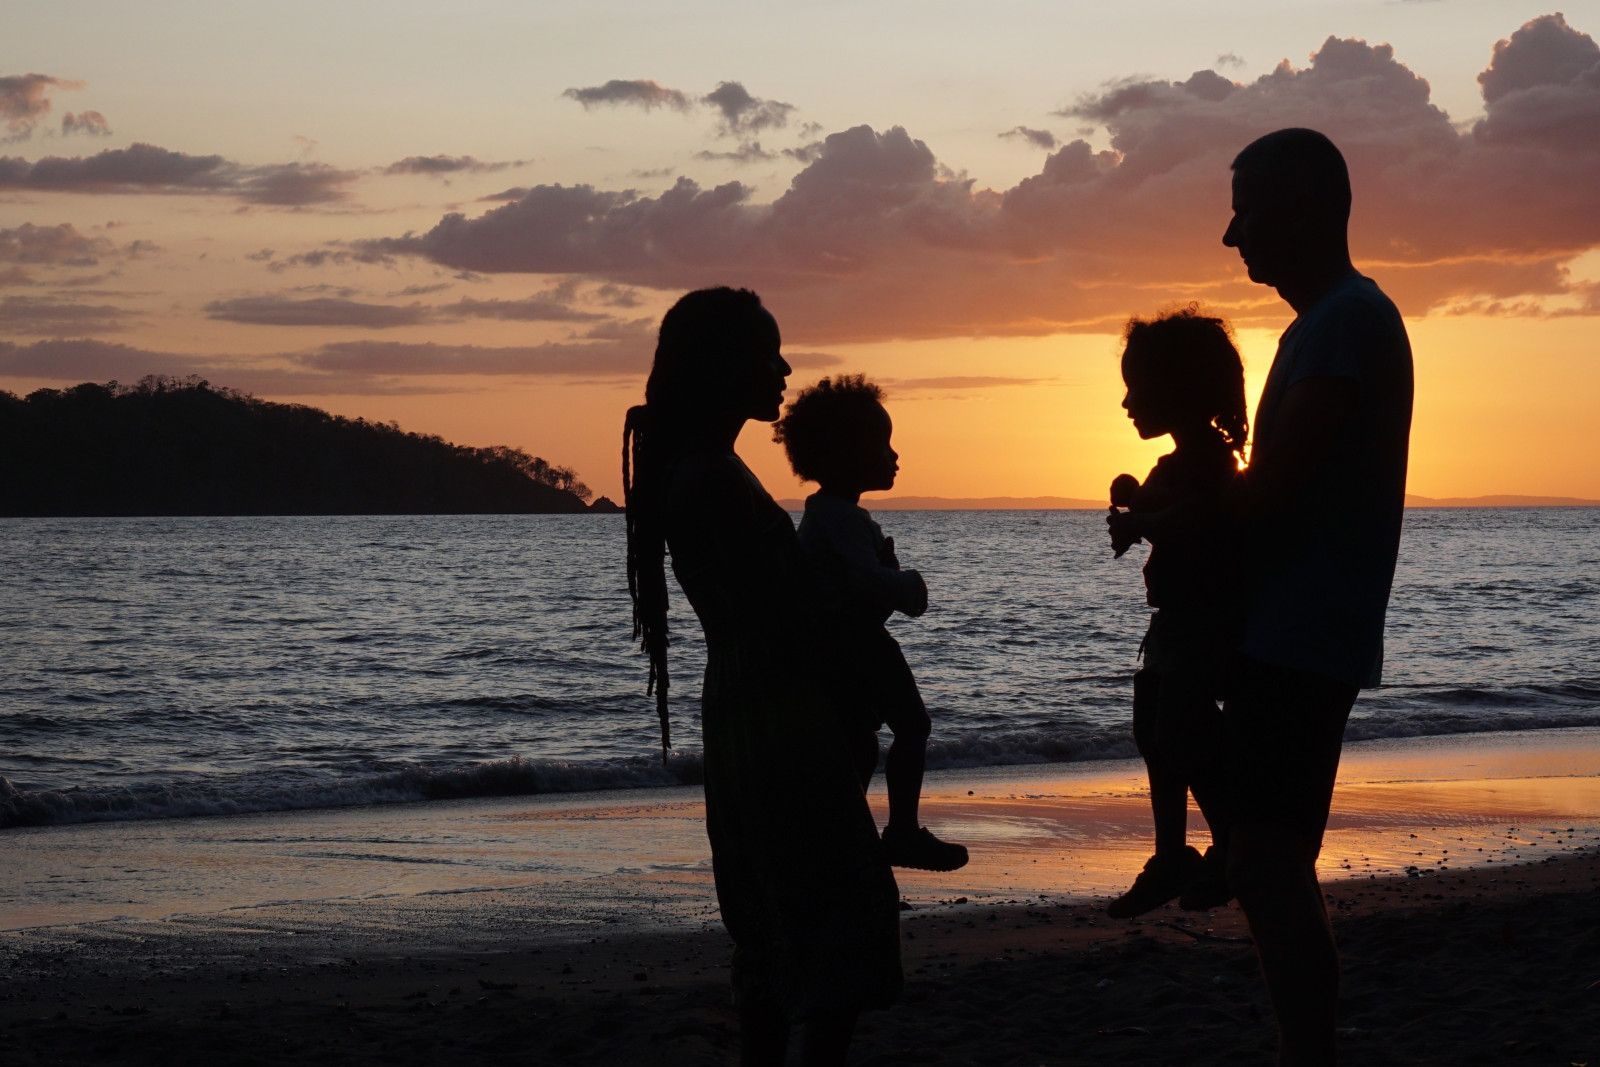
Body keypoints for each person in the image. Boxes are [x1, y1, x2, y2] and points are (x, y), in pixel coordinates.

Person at [622, 288, 901, 1066]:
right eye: (766, 353)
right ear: (721, 365)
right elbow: (787, 618)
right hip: (779, 716)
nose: (783, 368)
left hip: (748, 707)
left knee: (776, 925)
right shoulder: (711, 479)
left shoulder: (700, 470)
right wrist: (867, 593)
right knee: (838, 919)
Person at [1220, 129, 1414, 1065]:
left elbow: (1281, 486)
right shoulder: (1323, 323)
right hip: (1297, 632)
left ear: (1301, 206)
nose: (1231, 235)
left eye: (1247, 208)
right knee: (1270, 863)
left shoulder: (1344, 321)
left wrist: (1180, 512)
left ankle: (1308, 1053)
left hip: (1300, 636)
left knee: (1270, 863)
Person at [772, 374, 969, 873]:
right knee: (909, 725)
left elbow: (854, 586)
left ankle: (845, 838)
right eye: (882, 444)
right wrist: (909, 584)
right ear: (843, 453)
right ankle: (897, 830)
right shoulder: (839, 520)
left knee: (859, 739)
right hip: (855, 646)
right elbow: (867, 585)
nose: (894, 456)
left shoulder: (834, 518)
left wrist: (886, 581)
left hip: (844, 644)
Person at [1104, 307, 1246, 919]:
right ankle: (1171, 854)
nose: (1128, 403)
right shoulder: (1181, 464)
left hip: (1203, 622)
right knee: (1152, 729)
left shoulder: (1210, 462)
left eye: (1137, 389)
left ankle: (1233, 842)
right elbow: (1160, 512)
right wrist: (1134, 514)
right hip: (1173, 623)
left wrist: (1143, 521)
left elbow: (1194, 521)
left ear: (1176, 389)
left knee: (1179, 732)